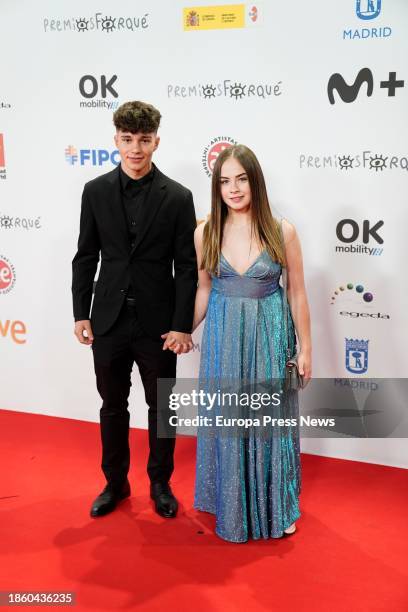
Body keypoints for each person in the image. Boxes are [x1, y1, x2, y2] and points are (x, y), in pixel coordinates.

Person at [72, 101, 197, 519]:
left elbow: (187, 268)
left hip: (158, 325)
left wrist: (181, 325)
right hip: (107, 319)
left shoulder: (179, 197)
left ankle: (160, 483)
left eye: (144, 140)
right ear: (116, 141)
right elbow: (85, 256)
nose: (135, 149)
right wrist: (80, 312)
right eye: (127, 140)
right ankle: (115, 481)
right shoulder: (95, 191)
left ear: (156, 141)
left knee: (162, 407)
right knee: (112, 404)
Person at [192, 144, 312, 542]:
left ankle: (276, 509)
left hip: (269, 334)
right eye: (225, 181)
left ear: (255, 181)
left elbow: (296, 292)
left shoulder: (282, 230)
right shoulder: (205, 231)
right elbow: (203, 291)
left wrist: (306, 348)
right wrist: (181, 330)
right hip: (223, 337)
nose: (234, 188)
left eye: (241, 179)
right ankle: (231, 505)